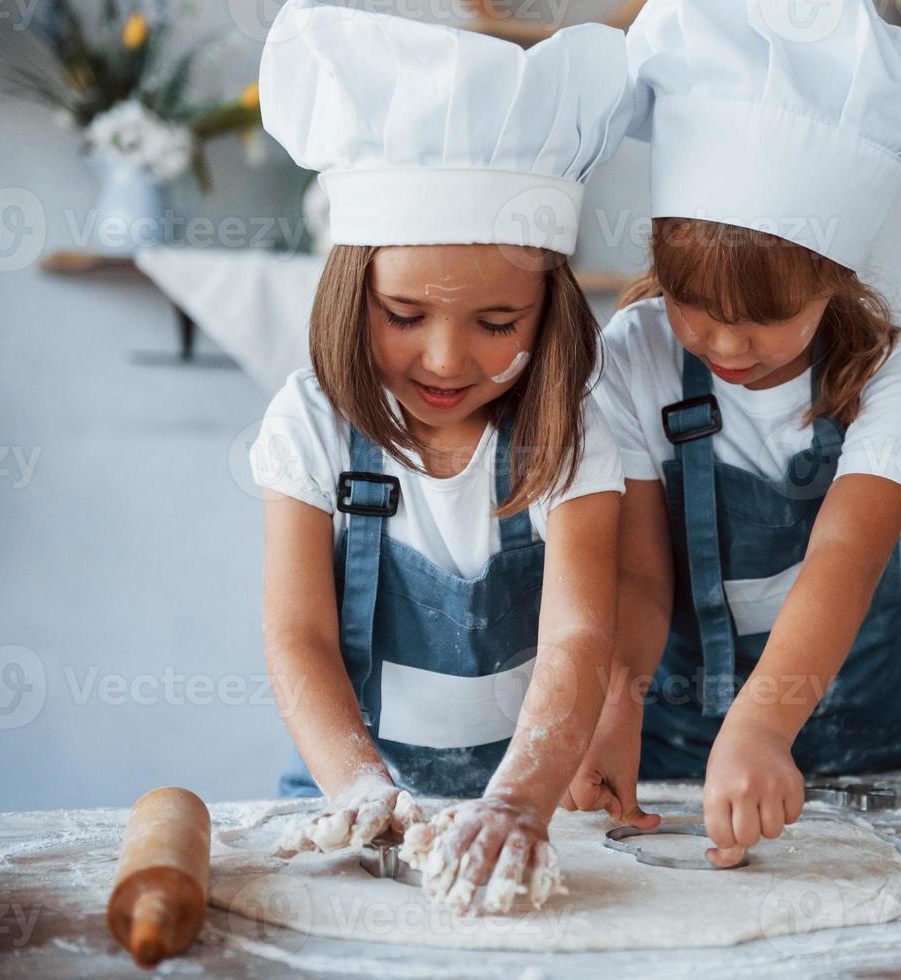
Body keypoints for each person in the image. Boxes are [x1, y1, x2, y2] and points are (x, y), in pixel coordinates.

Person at [565, 0, 901, 868]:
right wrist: (615, 707)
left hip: (868, 750)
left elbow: (844, 559)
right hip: (674, 751)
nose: (724, 343)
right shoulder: (633, 356)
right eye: (693, 305)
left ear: (833, 280)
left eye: (766, 317)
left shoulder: (894, 375)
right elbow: (639, 574)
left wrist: (759, 724)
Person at [251, 0, 632, 913]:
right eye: (405, 316)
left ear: (549, 317)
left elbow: (579, 636)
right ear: (353, 293)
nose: (447, 359)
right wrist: (357, 789)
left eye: (497, 323)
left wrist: (518, 802)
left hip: (535, 808)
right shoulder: (308, 424)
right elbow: (298, 638)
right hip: (355, 805)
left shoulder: (571, 432)